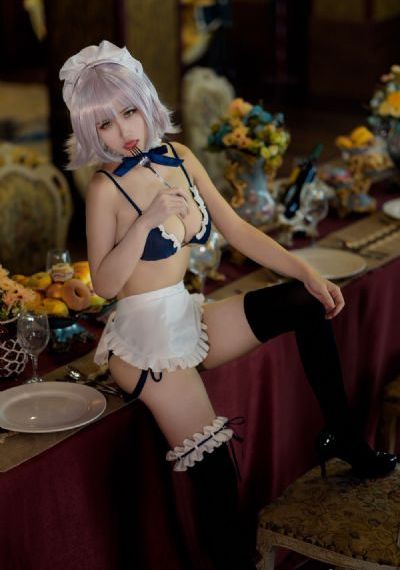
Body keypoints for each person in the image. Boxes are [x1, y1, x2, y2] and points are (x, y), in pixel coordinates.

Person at [59, 40, 396, 569]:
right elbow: (103, 284)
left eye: (129, 112)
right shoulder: (106, 189)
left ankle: (345, 438)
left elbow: (237, 229)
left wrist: (307, 271)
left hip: (185, 313)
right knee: (216, 468)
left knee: (301, 301)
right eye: (104, 123)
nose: (123, 131)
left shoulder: (180, 158)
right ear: (89, 131)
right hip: (145, 343)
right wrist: (146, 222)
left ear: (146, 102)